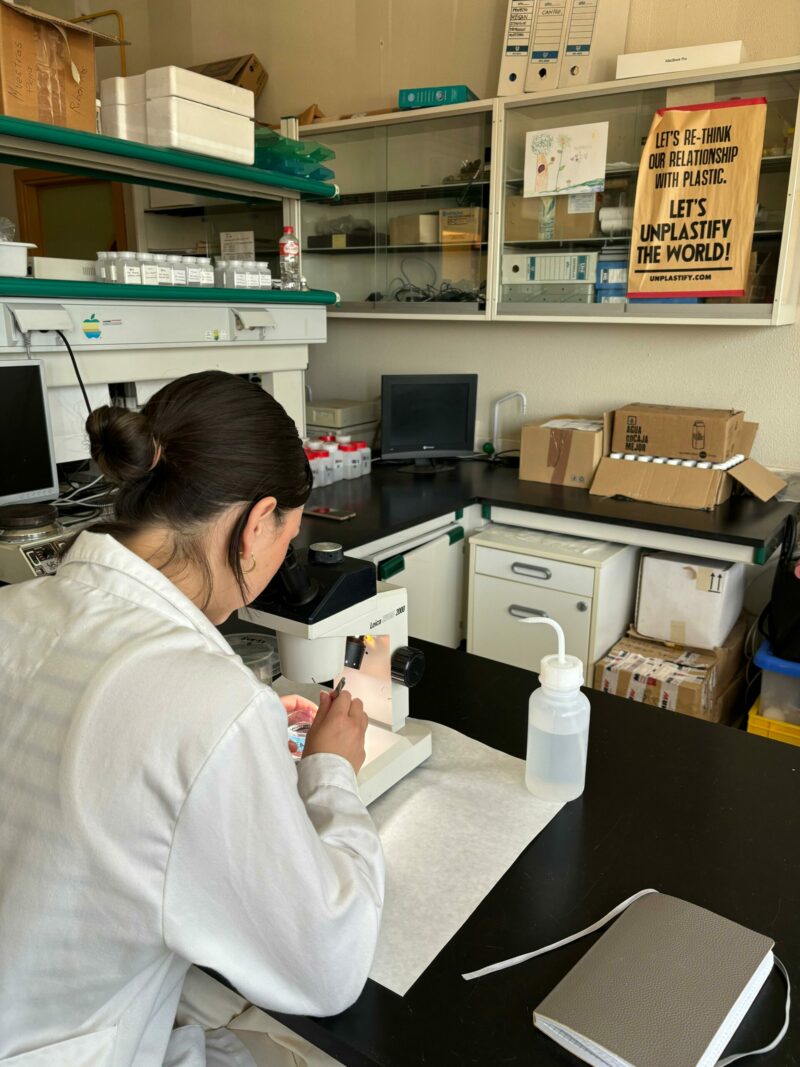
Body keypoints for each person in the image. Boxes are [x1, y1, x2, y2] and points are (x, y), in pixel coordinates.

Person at [0, 371, 384, 1066]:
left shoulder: (15, 612)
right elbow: (328, 966)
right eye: (286, 539)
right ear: (257, 520)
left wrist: (232, 733)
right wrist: (331, 771)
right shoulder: (209, 707)